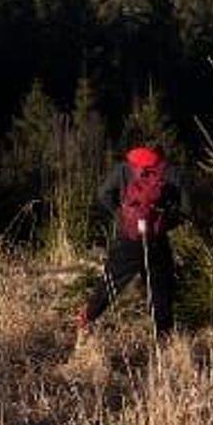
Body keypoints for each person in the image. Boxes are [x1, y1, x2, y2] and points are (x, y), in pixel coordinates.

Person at [75, 144, 183, 344]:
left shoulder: (124, 168)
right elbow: (185, 207)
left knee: (111, 281)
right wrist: (167, 223)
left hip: (129, 237)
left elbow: (103, 193)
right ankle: (164, 339)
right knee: (160, 289)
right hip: (157, 239)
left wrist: (120, 216)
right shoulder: (170, 171)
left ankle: (87, 319)